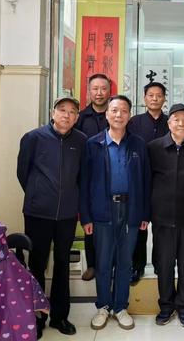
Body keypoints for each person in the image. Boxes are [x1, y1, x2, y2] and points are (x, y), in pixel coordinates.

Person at [17, 96, 87, 337]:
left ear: (77, 117)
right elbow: (23, 173)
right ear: (52, 113)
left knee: (62, 263)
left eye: (72, 112)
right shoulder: (33, 138)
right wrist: (39, 195)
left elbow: (82, 177)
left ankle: (60, 316)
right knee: (37, 263)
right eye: (62, 110)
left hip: (67, 214)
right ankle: (37, 317)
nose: (67, 115)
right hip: (38, 213)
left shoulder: (81, 141)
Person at [79, 95, 151, 331]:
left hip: (130, 210)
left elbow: (146, 181)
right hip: (103, 210)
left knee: (124, 261)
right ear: (107, 114)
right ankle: (103, 306)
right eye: (114, 110)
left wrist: (145, 214)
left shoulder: (138, 144)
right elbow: (84, 182)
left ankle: (120, 307)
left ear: (129, 115)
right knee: (102, 261)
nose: (119, 115)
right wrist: (86, 216)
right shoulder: (93, 144)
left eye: (123, 111)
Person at [148, 103, 184, 328]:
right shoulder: (154, 148)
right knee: (164, 264)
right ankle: (166, 305)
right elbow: (146, 181)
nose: (181, 123)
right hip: (162, 217)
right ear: (169, 123)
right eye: (176, 119)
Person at [127, 81, 169, 284]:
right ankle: (138, 265)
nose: (154, 99)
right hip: (139, 180)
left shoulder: (170, 121)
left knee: (161, 226)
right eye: (151, 95)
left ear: (164, 98)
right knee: (140, 225)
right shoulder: (134, 122)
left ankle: (161, 264)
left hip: (163, 180)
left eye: (159, 95)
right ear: (144, 98)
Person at [75, 73, 111, 281]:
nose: (99, 93)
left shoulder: (116, 114)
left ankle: (111, 263)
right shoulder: (80, 118)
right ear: (89, 91)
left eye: (103, 89)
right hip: (89, 177)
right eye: (95, 89)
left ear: (109, 91)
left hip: (114, 175)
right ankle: (92, 265)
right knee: (90, 221)